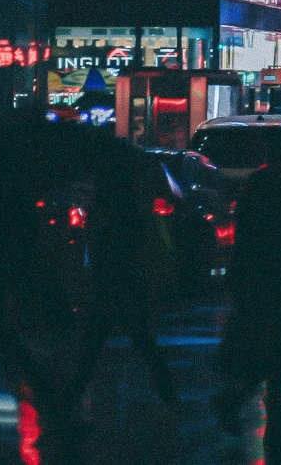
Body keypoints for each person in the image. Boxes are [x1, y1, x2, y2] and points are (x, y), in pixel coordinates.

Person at [214, 149, 281, 461]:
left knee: (271, 356)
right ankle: (261, 419)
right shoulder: (280, 198)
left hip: (262, 285)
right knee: (275, 356)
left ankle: (268, 423)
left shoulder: (260, 193)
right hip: (273, 285)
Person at [67, 144, 178, 413]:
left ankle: (69, 402)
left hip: (108, 281)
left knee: (93, 346)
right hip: (126, 281)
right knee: (142, 341)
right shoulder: (130, 205)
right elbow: (139, 241)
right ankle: (169, 396)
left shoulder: (104, 207)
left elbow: (96, 245)